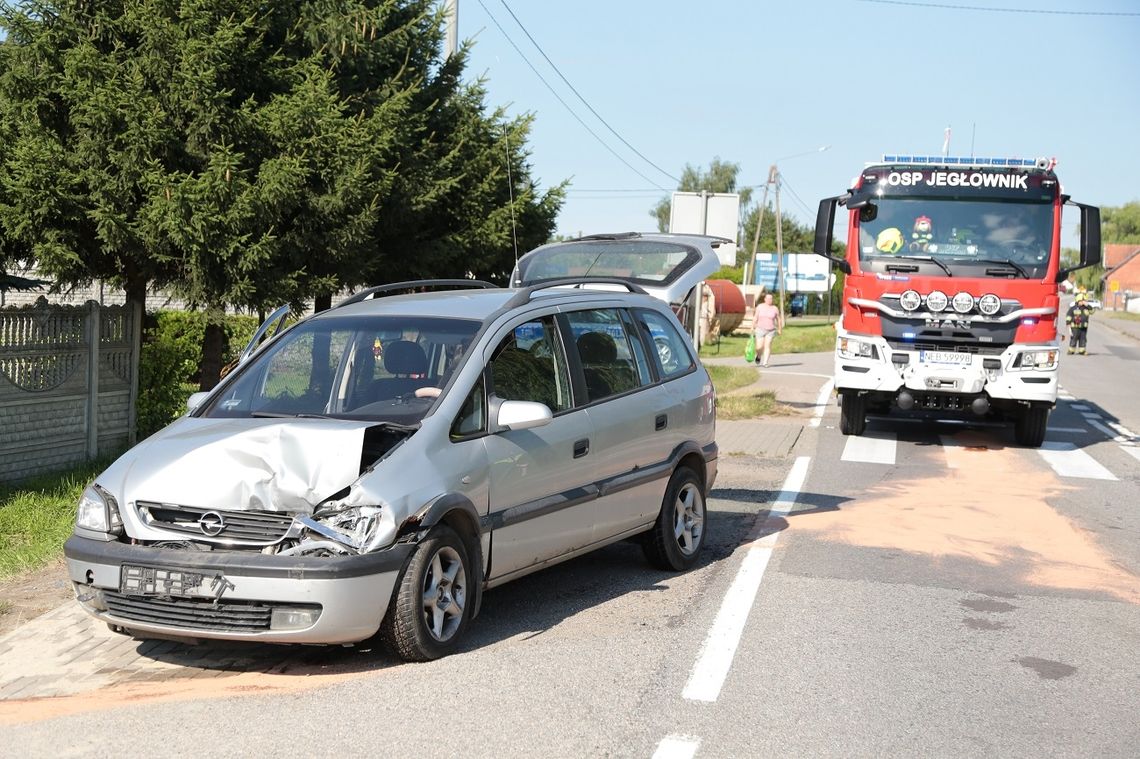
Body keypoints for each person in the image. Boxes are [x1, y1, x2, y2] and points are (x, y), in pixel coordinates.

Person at [752, 293, 783, 367]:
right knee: (759, 347)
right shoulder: (760, 307)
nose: (770, 300)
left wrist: (779, 329)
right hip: (760, 329)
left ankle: (765, 362)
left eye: (771, 299)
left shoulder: (775, 308)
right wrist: (753, 326)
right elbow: (755, 317)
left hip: (771, 330)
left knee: (767, 345)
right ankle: (759, 356)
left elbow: (778, 319)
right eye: (768, 298)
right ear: (765, 299)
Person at [1065, 290, 1094, 355]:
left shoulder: (1086, 308)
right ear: (1078, 301)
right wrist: (1068, 322)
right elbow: (1069, 315)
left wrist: (1088, 305)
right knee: (1074, 338)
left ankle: (1082, 351)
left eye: (1084, 301)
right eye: (1082, 301)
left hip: (1083, 328)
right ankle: (1071, 350)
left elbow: (1092, 311)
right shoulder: (1073, 308)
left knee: (1083, 339)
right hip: (1075, 327)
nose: (1083, 302)